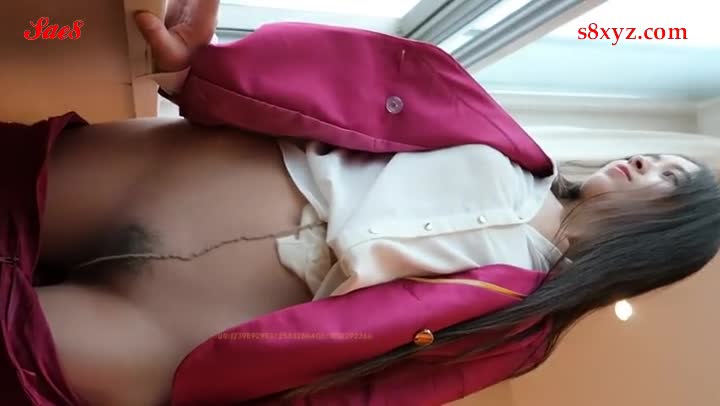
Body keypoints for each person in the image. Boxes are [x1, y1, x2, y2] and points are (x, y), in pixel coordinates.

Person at [2, 1, 719, 405]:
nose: (648, 164)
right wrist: (206, 70)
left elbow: (375, 394)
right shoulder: (507, 146)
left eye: (670, 181)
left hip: (181, 330)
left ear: (660, 241)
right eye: (661, 156)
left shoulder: (523, 328)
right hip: (167, 180)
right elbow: (356, 83)